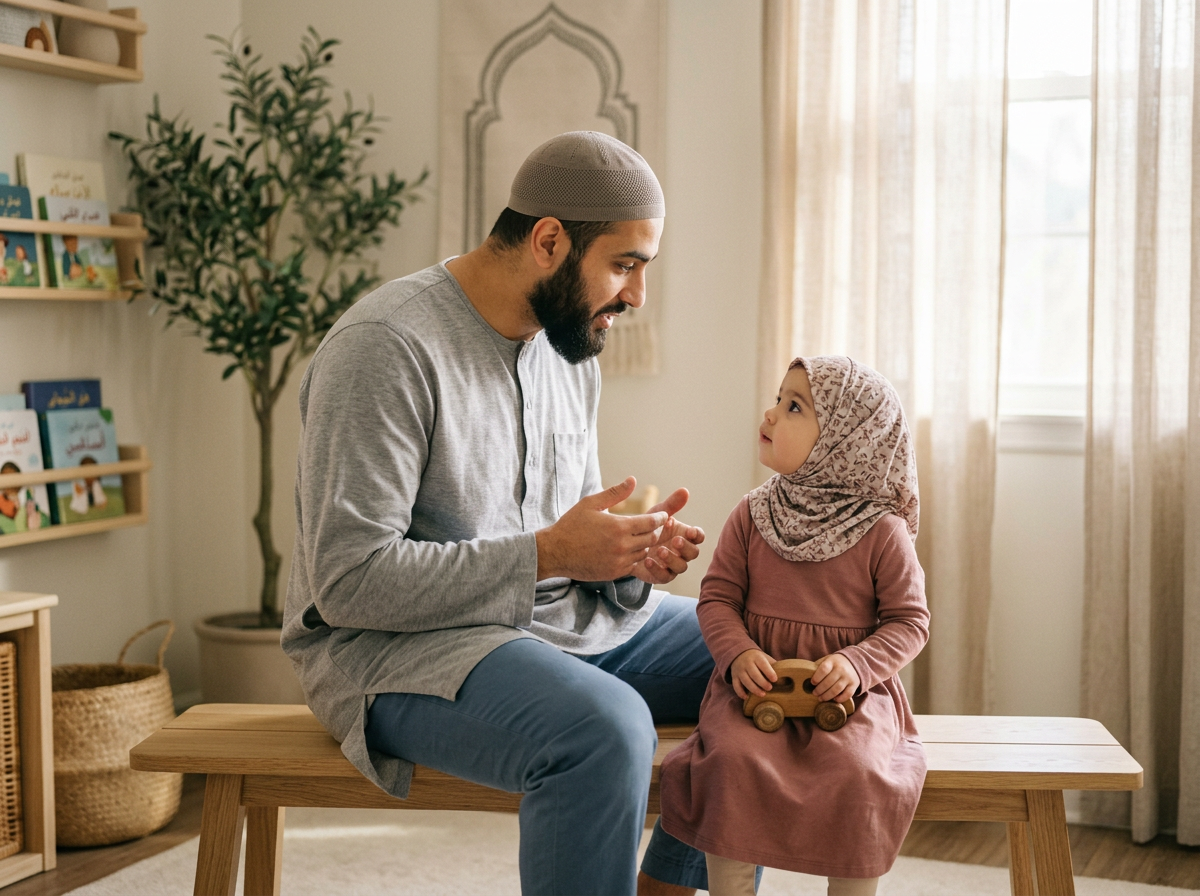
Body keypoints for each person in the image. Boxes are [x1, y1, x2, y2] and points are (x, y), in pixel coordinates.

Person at [282, 131, 725, 895]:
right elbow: (348, 582)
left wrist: (623, 562)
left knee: (761, 644)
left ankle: (668, 886)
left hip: (553, 623)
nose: (637, 296)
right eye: (624, 266)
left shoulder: (567, 345)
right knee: (605, 729)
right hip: (398, 650)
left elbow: (568, 538)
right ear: (549, 240)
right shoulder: (384, 347)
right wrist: (553, 556)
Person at [658, 356, 930, 896]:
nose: (771, 413)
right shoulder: (753, 513)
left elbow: (910, 621)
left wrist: (855, 665)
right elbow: (716, 599)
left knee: (860, 772)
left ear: (845, 440)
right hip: (756, 685)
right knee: (730, 762)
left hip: (847, 694)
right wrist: (736, 654)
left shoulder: (882, 531)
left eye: (794, 407)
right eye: (779, 398)